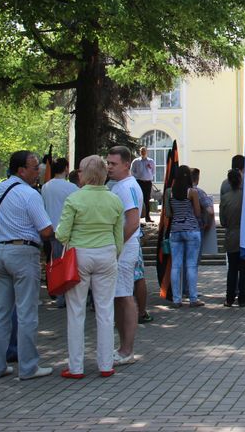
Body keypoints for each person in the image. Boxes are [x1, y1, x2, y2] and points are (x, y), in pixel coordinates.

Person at [0, 150, 54, 380]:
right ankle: (28, 367)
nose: (38, 171)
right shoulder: (30, 194)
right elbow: (45, 230)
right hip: (23, 253)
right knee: (26, 312)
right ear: (21, 170)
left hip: (0, 251)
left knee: (0, 311)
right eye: (35, 167)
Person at [55, 155, 124, 379]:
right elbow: (118, 236)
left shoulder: (74, 198)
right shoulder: (114, 200)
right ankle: (106, 364)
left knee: (76, 311)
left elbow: (62, 234)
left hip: (79, 256)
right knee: (105, 311)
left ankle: (76, 367)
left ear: (84, 174)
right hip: (107, 254)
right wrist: (114, 253)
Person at [105, 146, 143, 365]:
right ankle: (123, 348)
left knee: (124, 296)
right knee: (119, 297)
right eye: (108, 163)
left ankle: (127, 350)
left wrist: (116, 246)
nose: (109, 167)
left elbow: (133, 221)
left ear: (127, 164)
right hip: (122, 246)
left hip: (124, 248)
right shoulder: (120, 186)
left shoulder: (127, 187)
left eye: (113, 164)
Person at [41, 157, 78, 308]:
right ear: (66, 169)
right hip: (67, 230)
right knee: (68, 263)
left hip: (50, 229)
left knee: (55, 262)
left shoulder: (46, 187)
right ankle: (67, 296)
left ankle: (58, 294)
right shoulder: (72, 188)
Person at [166, 165, 204, 308]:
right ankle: (193, 298)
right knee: (191, 265)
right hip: (191, 229)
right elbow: (198, 212)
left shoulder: (169, 192)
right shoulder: (192, 192)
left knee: (176, 266)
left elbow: (168, 213)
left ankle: (177, 299)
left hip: (175, 230)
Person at [219, 169, 245, 307]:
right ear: (240, 180)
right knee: (244, 269)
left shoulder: (225, 198)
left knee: (232, 269)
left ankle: (229, 298)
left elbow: (223, 221)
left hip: (231, 235)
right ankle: (243, 298)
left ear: (229, 182)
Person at [131, 147, 155, 222]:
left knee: (147, 200)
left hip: (148, 183)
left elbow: (153, 172)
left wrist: (149, 171)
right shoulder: (136, 161)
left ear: (147, 152)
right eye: (142, 151)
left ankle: (147, 217)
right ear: (140, 152)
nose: (143, 152)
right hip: (139, 182)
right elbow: (132, 171)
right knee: (138, 199)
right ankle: (137, 218)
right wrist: (138, 176)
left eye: (144, 151)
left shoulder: (151, 161)